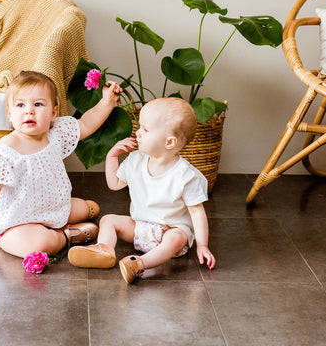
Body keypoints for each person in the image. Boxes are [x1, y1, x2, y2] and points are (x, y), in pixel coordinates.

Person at [0, 71, 122, 258]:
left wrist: (106, 102)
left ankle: (79, 213)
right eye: (20, 105)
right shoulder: (5, 151)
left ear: (53, 113)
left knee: (84, 208)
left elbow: (86, 124)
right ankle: (66, 236)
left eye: (38, 104)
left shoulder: (56, 132)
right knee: (37, 244)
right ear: (10, 114)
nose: (29, 111)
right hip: (17, 221)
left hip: (53, 206)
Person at [68, 97, 216, 283]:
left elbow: (197, 214)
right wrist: (111, 157)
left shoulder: (186, 176)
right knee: (108, 220)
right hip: (140, 227)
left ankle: (139, 264)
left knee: (177, 238)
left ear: (169, 142)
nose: (137, 133)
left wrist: (202, 245)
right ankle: (104, 250)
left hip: (169, 232)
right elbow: (114, 184)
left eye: (145, 129)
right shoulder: (136, 160)